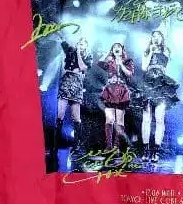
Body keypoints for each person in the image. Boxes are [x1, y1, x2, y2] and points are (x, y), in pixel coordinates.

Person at [138, 30, 179, 163]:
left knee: (159, 119)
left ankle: (156, 150)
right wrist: (150, 51)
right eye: (153, 36)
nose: (155, 38)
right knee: (146, 119)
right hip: (148, 83)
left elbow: (166, 60)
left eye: (158, 36)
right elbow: (144, 67)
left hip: (161, 84)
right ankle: (146, 149)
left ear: (162, 38)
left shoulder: (166, 50)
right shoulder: (146, 52)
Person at [55, 35, 90, 163]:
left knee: (76, 117)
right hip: (66, 82)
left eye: (83, 43)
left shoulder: (88, 56)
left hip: (77, 84)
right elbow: (63, 42)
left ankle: (77, 144)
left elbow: (83, 67)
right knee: (60, 115)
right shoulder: (70, 51)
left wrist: (79, 53)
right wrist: (60, 35)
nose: (81, 45)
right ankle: (55, 142)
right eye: (79, 43)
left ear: (86, 46)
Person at [98, 42, 135, 151]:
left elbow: (129, 74)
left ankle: (116, 147)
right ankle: (109, 145)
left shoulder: (128, 61)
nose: (116, 48)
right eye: (114, 47)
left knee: (119, 121)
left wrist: (121, 63)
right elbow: (99, 63)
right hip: (110, 90)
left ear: (122, 50)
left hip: (121, 91)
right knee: (109, 120)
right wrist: (106, 54)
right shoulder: (109, 62)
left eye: (118, 47)